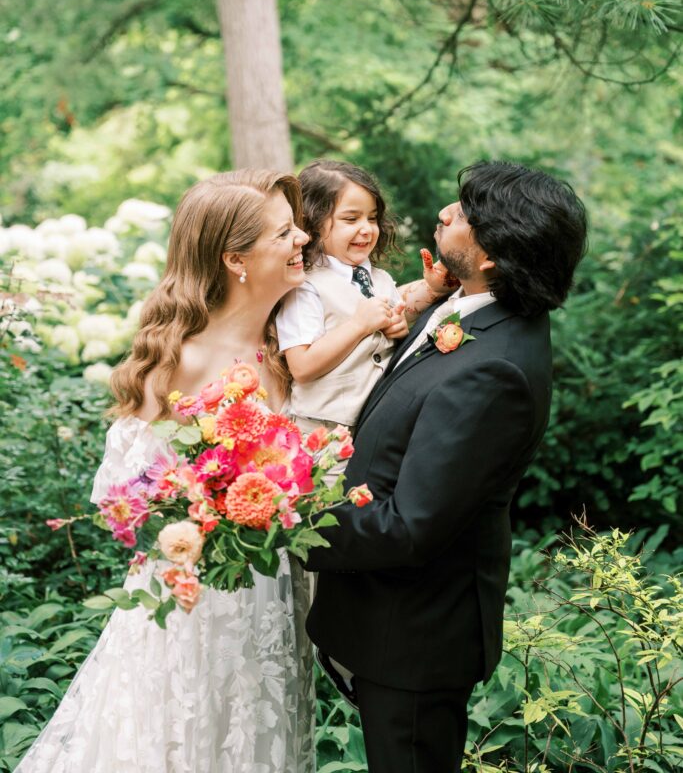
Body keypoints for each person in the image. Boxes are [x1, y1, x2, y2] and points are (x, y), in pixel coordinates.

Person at [16, 170, 314, 773]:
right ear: (236, 259)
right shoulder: (183, 359)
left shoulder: (296, 345)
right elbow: (121, 495)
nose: (304, 237)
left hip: (274, 596)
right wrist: (208, 507)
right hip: (193, 602)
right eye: (284, 232)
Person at [304, 160, 588, 773]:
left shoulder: (496, 370)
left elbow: (409, 525)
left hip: (414, 637)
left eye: (463, 213)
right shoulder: (476, 309)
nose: (445, 214)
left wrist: (285, 523)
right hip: (386, 619)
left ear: (490, 255)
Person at [276, 159, 454, 438]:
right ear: (312, 223)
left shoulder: (379, 279)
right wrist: (359, 325)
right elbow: (302, 367)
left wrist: (397, 328)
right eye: (350, 219)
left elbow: (387, 330)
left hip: (374, 427)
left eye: (372, 218)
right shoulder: (305, 286)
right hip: (321, 434)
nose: (366, 228)